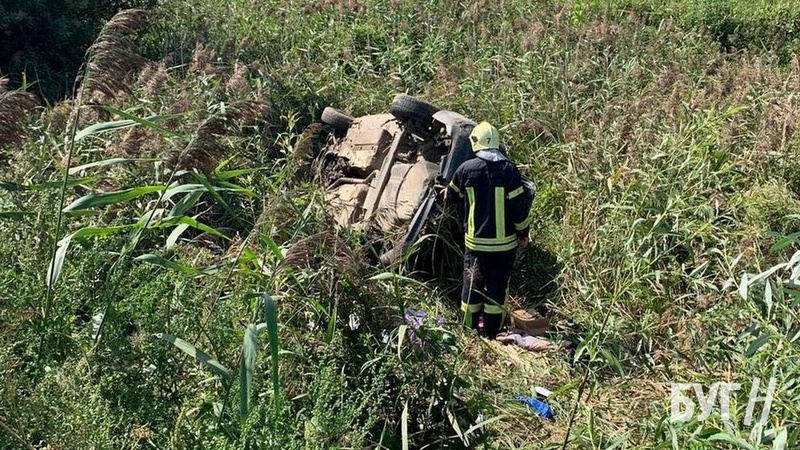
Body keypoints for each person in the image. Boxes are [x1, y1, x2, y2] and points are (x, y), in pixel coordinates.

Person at [444, 121, 533, 338]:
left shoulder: (466, 169)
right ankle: (491, 333)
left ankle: (468, 329)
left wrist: (446, 192)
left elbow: (451, 196)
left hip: (475, 244)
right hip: (504, 247)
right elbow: (519, 209)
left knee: (471, 284)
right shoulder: (509, 170)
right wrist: (523, 234)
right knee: (497, 288)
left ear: (475, 143)